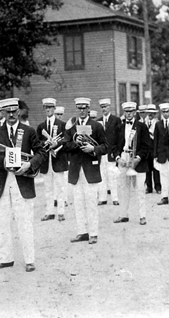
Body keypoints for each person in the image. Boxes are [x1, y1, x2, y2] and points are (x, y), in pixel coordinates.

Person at [0, 98, 46, 273]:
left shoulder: (28, 131)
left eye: (14, 111)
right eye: (7, 112)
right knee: (3, 222)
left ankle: (29, 260)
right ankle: (5, 259)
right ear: (3, 113)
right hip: (3, 182)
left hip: (23, 180)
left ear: (18, 112)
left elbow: (41, 152)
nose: (11, 115)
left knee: (25, 221)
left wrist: (30, 164)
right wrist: (4, 162)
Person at [65, 97, 108, 245]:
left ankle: (94, 233)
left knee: (91, 202)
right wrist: (75, 143)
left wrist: (93, 149)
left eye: (84, 108)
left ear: (88, 109)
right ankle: (82, 232)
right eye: (79, 108)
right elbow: (65, 146)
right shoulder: (71, 127)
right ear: (76, 109)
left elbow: (105, 147)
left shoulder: (96, 126)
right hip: (76, 170)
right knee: (78, 202)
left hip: (91, 169)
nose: (82, 111)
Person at [114, 102, 151, 225]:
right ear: (124, 112)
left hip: (137, 161)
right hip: (123, 159)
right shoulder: (119, 127)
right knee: (123, 189)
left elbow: (146, 146)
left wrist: (137, 159)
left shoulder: (142, 127)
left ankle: (142, 216)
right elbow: (114, 146)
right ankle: (123, 214)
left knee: (140, 189)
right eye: (126, 112)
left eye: (131, 112)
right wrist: (118, 158)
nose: (128, 114)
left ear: (135, 112)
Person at [36, 98, 68, 221]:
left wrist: (56, 144)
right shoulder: (41, 126)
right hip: (46, 160)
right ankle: (49, 212)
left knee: (60, 187)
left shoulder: (62, 125)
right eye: (46, 107)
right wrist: (46, 142)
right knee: (48, 188)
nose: (48, 109)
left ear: (54, 108)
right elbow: (37, 142)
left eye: (50, 107)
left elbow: (66, 140)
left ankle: (60, 212)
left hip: (58, 158)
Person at [96, 98, 122, 206]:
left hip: (111, 152)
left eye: (105, 106)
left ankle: (115, 198)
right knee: (102, 175)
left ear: (109, 107)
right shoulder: (98, 121)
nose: (104, 109)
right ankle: (103, 198)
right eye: (102, 107)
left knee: (112, 176)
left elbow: (119, 138)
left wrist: (117, 153)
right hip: (102, 153)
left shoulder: (116, 120)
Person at [144, 104, 161, 194]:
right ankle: (149, 187)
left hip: (154, 148)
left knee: (156, 169)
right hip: (146, 150)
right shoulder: (143, 123)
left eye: (152, 113)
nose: (150, 114)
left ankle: (158, 187)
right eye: (149, 113)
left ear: (155, 114)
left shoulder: (158, 123)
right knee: (147, 169)